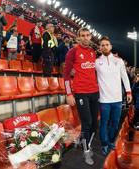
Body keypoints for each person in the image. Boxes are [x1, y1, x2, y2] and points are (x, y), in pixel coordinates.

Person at [64, 28, 99, 165]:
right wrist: (69, 93)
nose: (85, 38)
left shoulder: (92, 52)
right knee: (87, 122)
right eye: (82, 36)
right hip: (80, 93)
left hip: (94, 92)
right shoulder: (73, 52)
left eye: (87, 35)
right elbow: (66, 74)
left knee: (94, 124)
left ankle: (85, 143)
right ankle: (86, 152)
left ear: (90, 37)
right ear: (78, 38)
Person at [95, 36, 132, 156]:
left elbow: (125, 77)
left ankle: (111, 141)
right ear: (100, 48)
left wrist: (128, 92)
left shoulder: (119, 61)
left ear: (110, 46)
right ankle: (104, 144)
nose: (105, 46)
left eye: (107, 44)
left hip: (117, 99)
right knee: (104, 123)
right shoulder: (96, 62)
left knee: (115, 123)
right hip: (104, 99)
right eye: (102, 45)